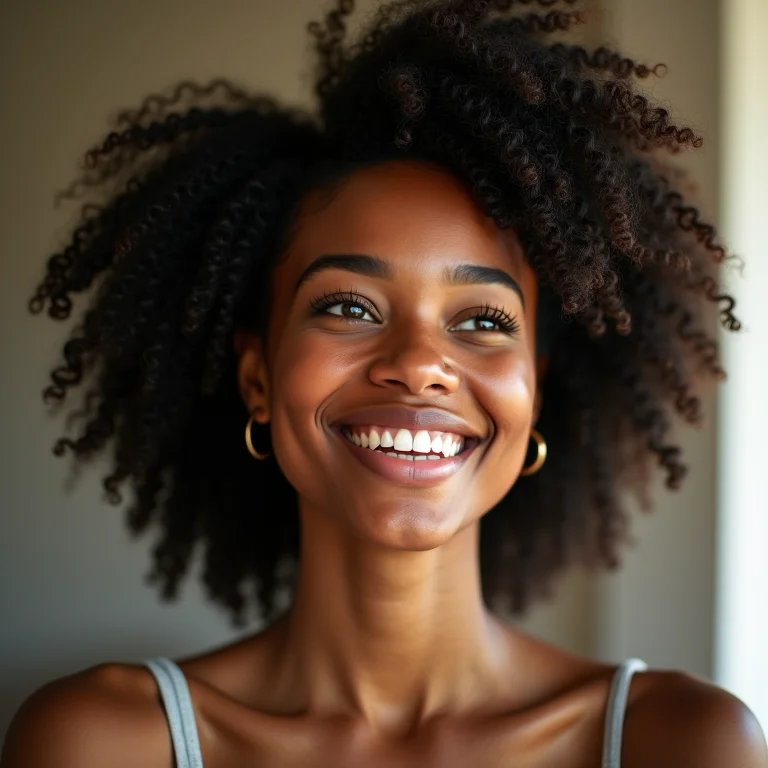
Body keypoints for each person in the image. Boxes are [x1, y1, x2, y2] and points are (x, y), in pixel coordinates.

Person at [2, 0, 766, 765]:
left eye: (483, 322)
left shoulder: (679, 742)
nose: (420, 361)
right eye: (347, 306)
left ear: (532, 388)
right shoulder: (102, 742)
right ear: (258, 377)